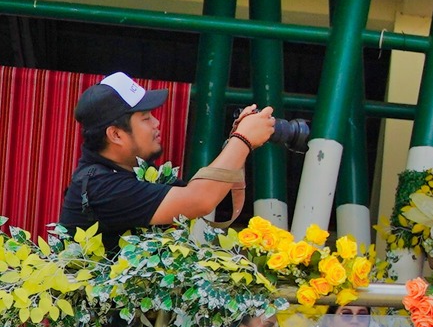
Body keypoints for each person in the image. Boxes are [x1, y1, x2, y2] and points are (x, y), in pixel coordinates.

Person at [58, 72, 277, 251]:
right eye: (146, 118)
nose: (156, 123)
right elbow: (200, 200)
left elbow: (205, 192)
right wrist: (242, 140)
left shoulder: (128, 171)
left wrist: (236, 140)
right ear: (116, 135)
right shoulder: (101, 186)